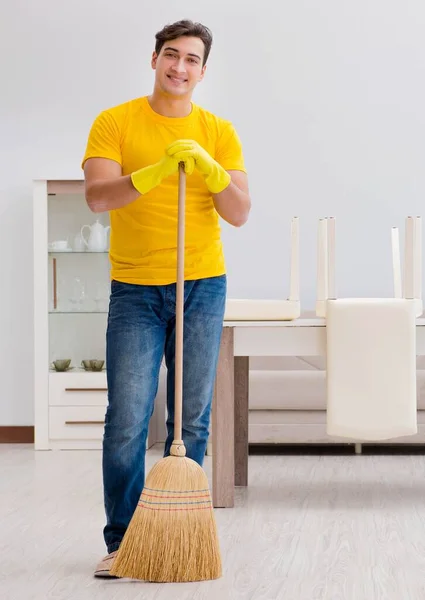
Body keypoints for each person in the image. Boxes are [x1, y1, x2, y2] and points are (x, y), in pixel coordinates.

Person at [81, 19, 251, 578]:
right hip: (134, 288)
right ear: (154, 59)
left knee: (191, 419)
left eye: (192, 59)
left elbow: (240, 212)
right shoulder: (116, 122)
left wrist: (210, 171)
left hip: (201, 284)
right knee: (128, 418)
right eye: (171, 55)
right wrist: (152, 173)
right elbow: (97, 197)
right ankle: (125, 542)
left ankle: (177, 536)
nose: (180, 67)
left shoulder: (218, 131)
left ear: (205, 70)